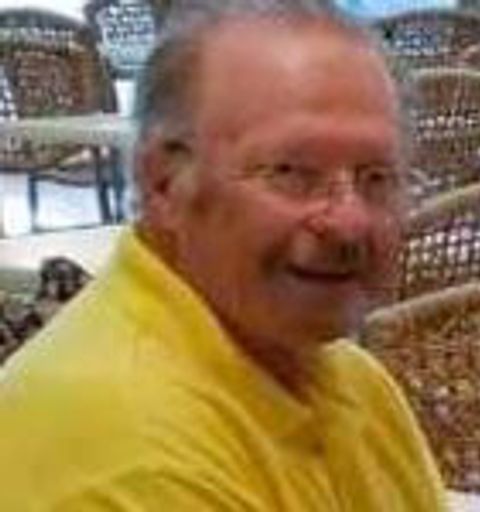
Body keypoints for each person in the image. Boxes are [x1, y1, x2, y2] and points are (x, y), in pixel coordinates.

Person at [0, 1, 447, 510]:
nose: (348, 223)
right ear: (164, 184)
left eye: (377, 178)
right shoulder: (138, 455)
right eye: (291, 172)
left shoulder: (343, 374)